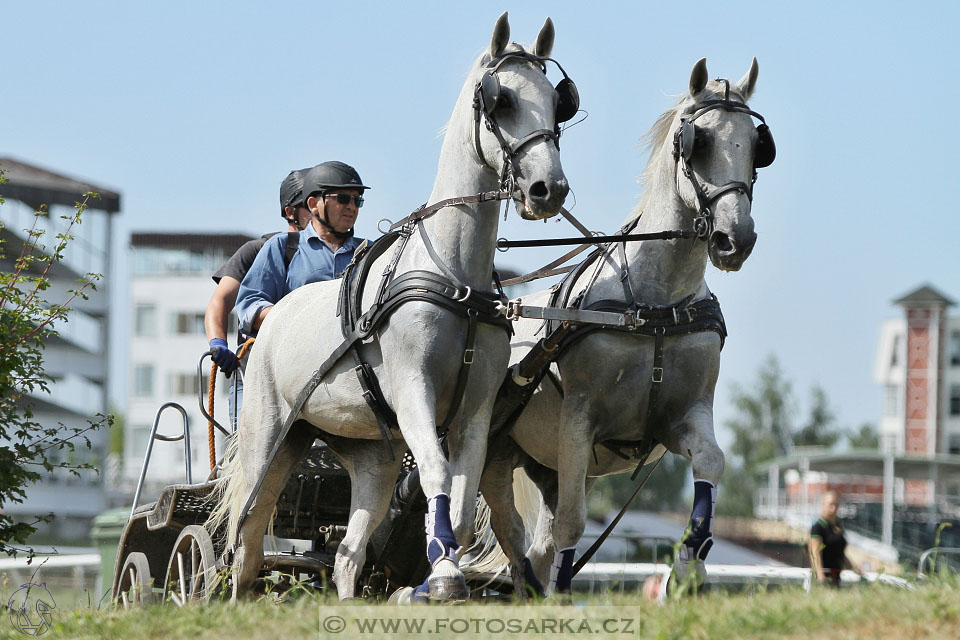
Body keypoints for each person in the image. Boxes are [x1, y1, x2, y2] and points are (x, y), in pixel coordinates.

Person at [205, 168, 313, 424]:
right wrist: (218, 344)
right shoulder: (257, 251)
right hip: (256, 377)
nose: (318, 209)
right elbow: (220, 302)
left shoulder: (339, 256)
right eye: (310, 204)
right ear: (290, 212)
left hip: (312, 375)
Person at [235, 161, 368, 337]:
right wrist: (305, 318)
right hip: (295, 359)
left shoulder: (371, 252)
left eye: (357, 200)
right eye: (343, 198)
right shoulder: (281, 247)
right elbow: (249, 309)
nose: (352, 207)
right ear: (313, 204)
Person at [809, 491, 860, 587]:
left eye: (836, 505)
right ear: (823, 505)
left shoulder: (838, 527)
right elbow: (815, 553)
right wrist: (820, 577)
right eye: (830, 504)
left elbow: (839, 554)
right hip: (824, 578)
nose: (834, 508)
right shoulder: (818, 527)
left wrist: (854, 569)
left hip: (836, 578)